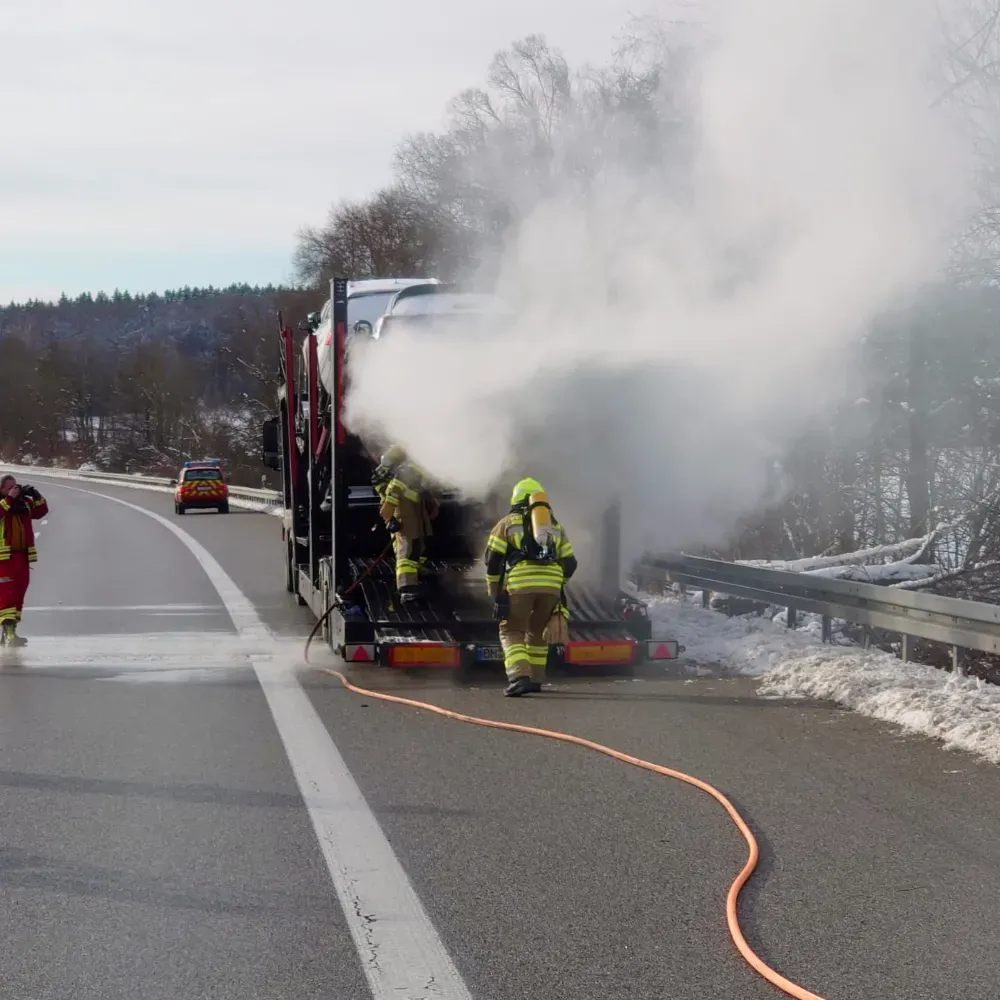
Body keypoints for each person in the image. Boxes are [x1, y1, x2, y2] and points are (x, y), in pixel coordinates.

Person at [484, 477, 577, 697]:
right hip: (552, 584)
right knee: (537, 631)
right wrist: (556, 582)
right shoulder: (554, 525)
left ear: (516, 498)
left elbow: (493, 560)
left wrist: (496, 594)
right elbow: (571, 563)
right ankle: (535, 679)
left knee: (511, 630)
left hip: (521, 583)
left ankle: (519, 677)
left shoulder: (508, 522)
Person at [373, 445, 438, 603]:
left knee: (418, 542)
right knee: (407, 547)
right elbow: (394, 490)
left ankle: (417, 573)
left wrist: (432, 502)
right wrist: (389, 514)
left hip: (412, 506)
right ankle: (407, 588)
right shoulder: (410, 469)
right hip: (403, 509)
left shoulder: (415, 467)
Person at [0, 474, 48, 647]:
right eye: (10, 487)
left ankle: (10, 631)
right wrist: (9, 499)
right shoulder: (3, 504)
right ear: (2, 489)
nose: (15, 489)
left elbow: (41, 511)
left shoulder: (23, 504)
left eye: (16, 486)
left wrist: (35, 495)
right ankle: (8, 631)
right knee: (7, 594)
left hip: (22, 556)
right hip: (4, 558)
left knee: (19, 592)